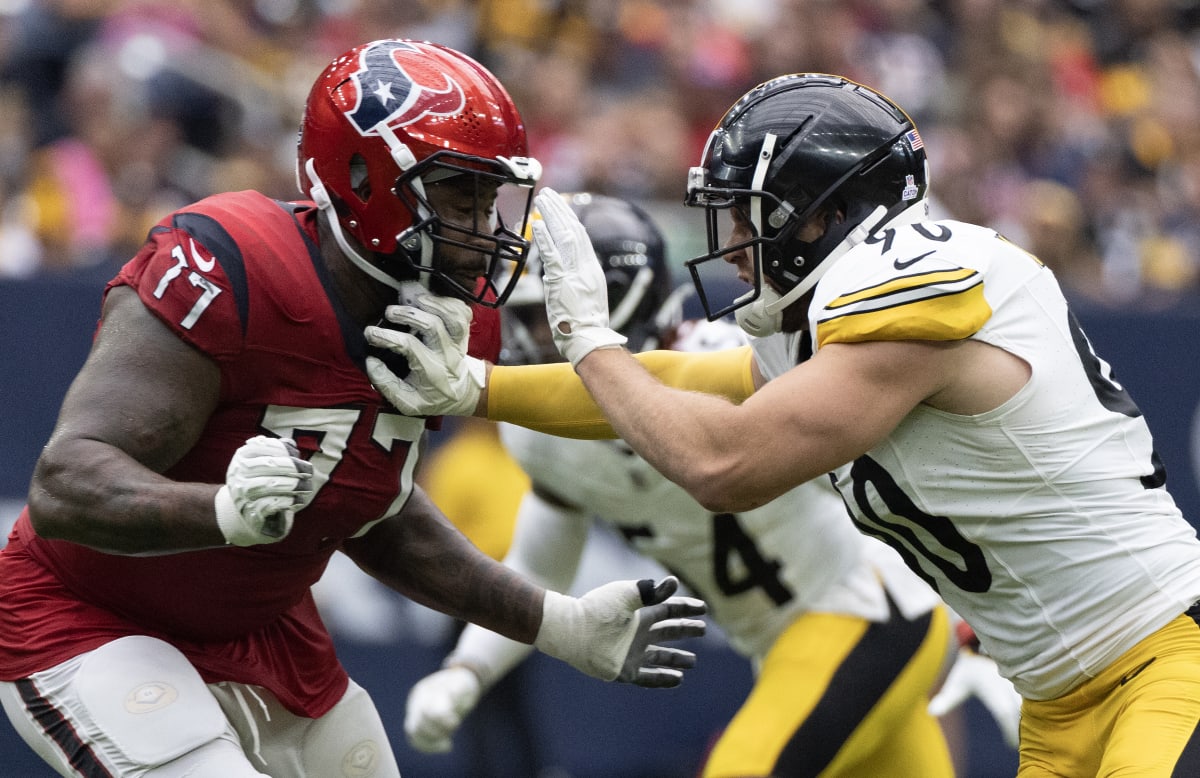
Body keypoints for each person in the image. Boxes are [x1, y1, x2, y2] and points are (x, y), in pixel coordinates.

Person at [368, 74, 1200, 776]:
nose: (731, 244)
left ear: (821, 215)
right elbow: (682, 379)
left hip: (1163, 660)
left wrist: (589, 340)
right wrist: (478, 386)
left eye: (746, 214)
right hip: (1057, 701)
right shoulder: (821, 327)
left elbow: (724, 462)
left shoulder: (911, 289)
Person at [0, 39, 706, 778]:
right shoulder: (235, 263)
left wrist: (555, 624)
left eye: (489, 192)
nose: (482, 224)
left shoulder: (450, 314)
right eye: (457, 191)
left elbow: (376, 511)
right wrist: (220, 512)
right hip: (92, 616)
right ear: (364, 174)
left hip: (265, 634)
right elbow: (66, 483)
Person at [404, 193, 1016, 777]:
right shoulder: (544, 440)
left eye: (545, 315)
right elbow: (540, 565)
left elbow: (883, 487)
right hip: (785, 651)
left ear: (617, 303)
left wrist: (976, 611)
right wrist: (467, 670)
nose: (525, 339)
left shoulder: (723, 360)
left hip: (864, 617)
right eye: (524, 317)